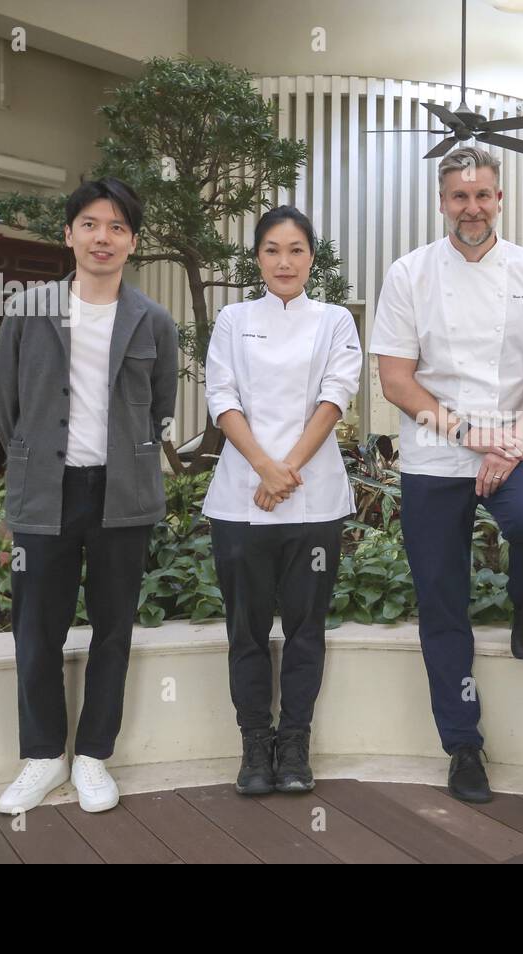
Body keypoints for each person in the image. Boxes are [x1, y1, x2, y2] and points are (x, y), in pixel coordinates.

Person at [371, 146, 523, 803]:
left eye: (483, 195)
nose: (472, 208)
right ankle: (463, 745)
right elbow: (396, 379)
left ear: (499, 198)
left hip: (512, 444)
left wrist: (512, 439)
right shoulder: (408, 275)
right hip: (437, 452)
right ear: (441, 202)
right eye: (460, 197)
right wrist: (465, 431)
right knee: (441, 596)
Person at [0, 177, 179, 814]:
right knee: (36, 628)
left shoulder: (153, 320)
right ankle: (44, 756)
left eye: (118, 227)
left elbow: (159, 408)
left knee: (113, 627)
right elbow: (5, 406)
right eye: (92, 225)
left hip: (121, 496)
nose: (104, 237)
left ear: (133, 241)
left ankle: (95, 755)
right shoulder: (28, 310)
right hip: (45, 492)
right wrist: (34, 464)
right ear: (69, 233)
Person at [202, 205, 361, 795]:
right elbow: (221, 397)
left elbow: (335, 395)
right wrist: (264, 468)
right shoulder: (233, 318)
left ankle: (294, 746)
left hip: (314, 501)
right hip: (239, 502)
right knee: (244, 631)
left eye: (296, 249)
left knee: (305, 628)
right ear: (258, 257)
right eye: (272, 249)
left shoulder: (335, 321)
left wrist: (286, 470)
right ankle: (253, 747)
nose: (284, 261)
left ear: (312, 257)